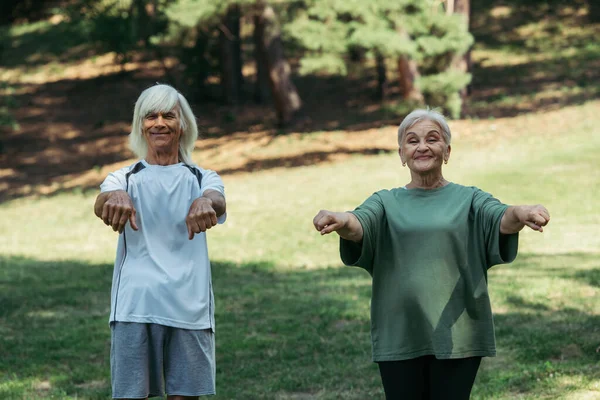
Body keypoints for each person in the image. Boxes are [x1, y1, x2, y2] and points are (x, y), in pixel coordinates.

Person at [312, 108, 550, 400]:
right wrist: (340, 219)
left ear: (447, 151)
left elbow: (501, 217)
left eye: (432, 139)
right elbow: (359, 223)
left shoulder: (470, 198)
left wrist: (522, 212)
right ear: (402, 154)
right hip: (399, 330)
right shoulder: (385, 202)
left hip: (457, 333)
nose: (422, 146)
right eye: (412, 141)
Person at [94, 84, 227, 400]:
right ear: (141, 124)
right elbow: (102, 202)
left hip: (189, 307)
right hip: (136, 307)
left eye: (168, 115)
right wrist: (117, 197)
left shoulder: (202, 177)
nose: (159, 123)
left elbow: (216, 200)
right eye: (150, 116)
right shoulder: (124, 177)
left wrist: (204, 204)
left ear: (183, 123)